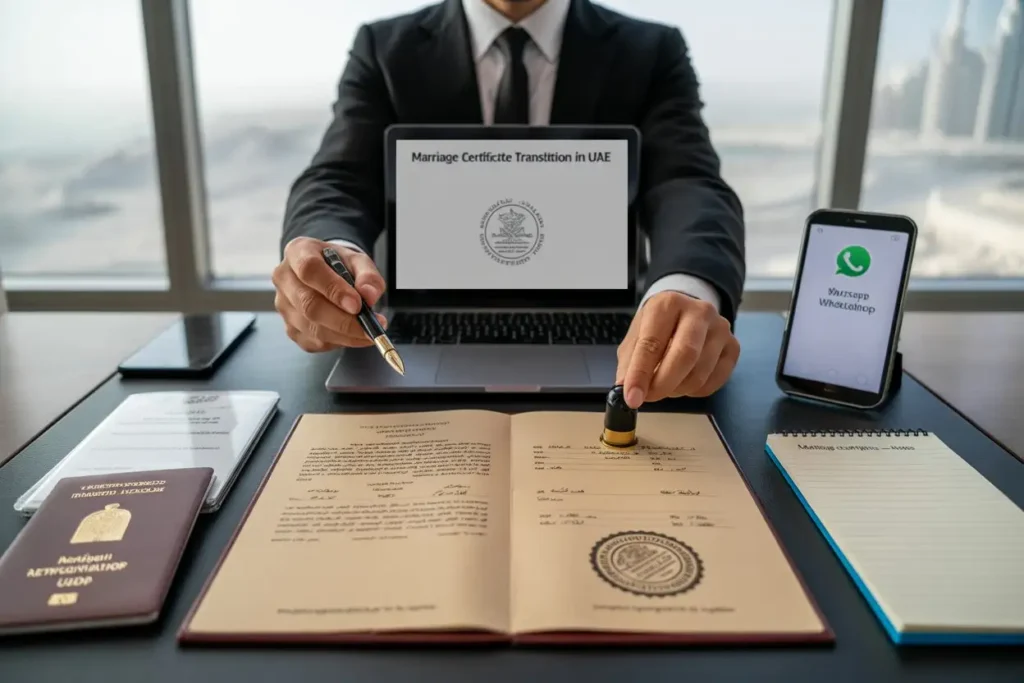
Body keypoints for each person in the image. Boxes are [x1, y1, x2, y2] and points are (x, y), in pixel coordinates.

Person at [273, 0, 746, 408]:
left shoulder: (651, 50)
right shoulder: (383, 47)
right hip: (424, 319)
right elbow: (339, 176)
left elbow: (688, 181)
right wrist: (329, 254)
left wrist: (687, 288)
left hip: (613, 334)